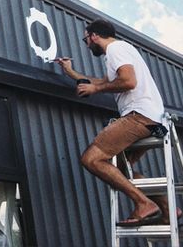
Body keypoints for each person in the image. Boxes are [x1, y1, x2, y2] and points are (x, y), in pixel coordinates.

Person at [55, 18, 169, 227]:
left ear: (94, 36)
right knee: (120, 169)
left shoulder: (116, 49)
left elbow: (128, 81)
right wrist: (71, 72)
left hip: (139, 116)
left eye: (85, 40)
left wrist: (95, 90)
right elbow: (102, 81)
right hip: (154, 120)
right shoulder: (122, 51)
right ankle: (169, 210)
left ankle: (143, 203)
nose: (87, 44)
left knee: (91, 159)